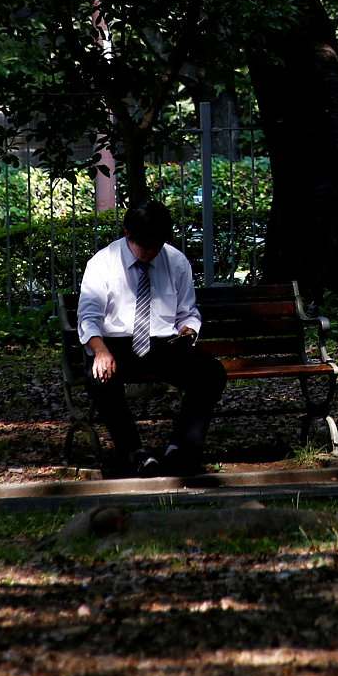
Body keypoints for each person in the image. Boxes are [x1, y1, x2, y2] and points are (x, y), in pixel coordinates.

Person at [76, 201, 227, 476]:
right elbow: (88, 317)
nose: (148, 254)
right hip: (116, 346)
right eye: (143, 247)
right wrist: (99, 351)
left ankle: (181, 448)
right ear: (127, 234)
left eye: (155, 247)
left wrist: (188, 331)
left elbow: (188, 312)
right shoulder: (103, 263)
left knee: (211, 373)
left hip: (163, 345)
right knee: (98, 377)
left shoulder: (176, 261)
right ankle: (134, 451)